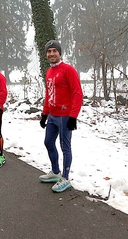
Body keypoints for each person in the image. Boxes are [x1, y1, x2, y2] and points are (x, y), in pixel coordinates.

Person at [39, 40, 83, 193]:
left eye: (54, 51)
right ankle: (56, 172)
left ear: (59, 53)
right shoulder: (49, 72)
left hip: (65, 116)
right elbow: (48, 93)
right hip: (52, 115)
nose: (51, 54)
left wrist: (73, 116)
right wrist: (44, 114)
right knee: (48, 142)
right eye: (49, 51)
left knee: (65, 147)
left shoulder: (68, 70)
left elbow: (78, 93)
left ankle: (65, 178)